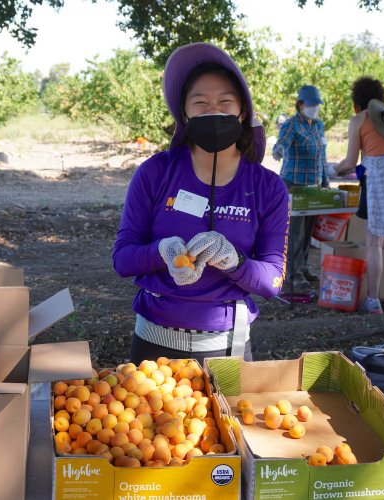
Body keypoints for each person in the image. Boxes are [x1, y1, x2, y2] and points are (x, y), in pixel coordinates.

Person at [112, 42, 289, 365]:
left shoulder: (267, 187)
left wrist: (234, 261)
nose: (214, 112)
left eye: (225, 102)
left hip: (228, 347)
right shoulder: (155, 173)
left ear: (243, 111)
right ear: (185, 113)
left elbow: (272, 281)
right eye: (201, 103)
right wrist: (161, 252)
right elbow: (123, 259)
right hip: (154, 343)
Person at [334, 77, 384, 314]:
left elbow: (350, 161)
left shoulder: (359, 119)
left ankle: (372, 300)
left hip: (378, 179)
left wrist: (334, 169)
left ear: (357, 101)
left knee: (374, 241)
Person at [273, 85, 328, 291]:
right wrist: (278, 150)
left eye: (317, 104)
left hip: (314, 184)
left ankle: (304, 267)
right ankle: (293, 274)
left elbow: (322, 154)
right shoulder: (292, 124)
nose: (314, 108)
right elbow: (283, 143)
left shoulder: (319, 126)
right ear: (301, 104)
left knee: (308, 232)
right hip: (294, 183)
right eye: (311, 104)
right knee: (295, 231)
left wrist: (325, 182)